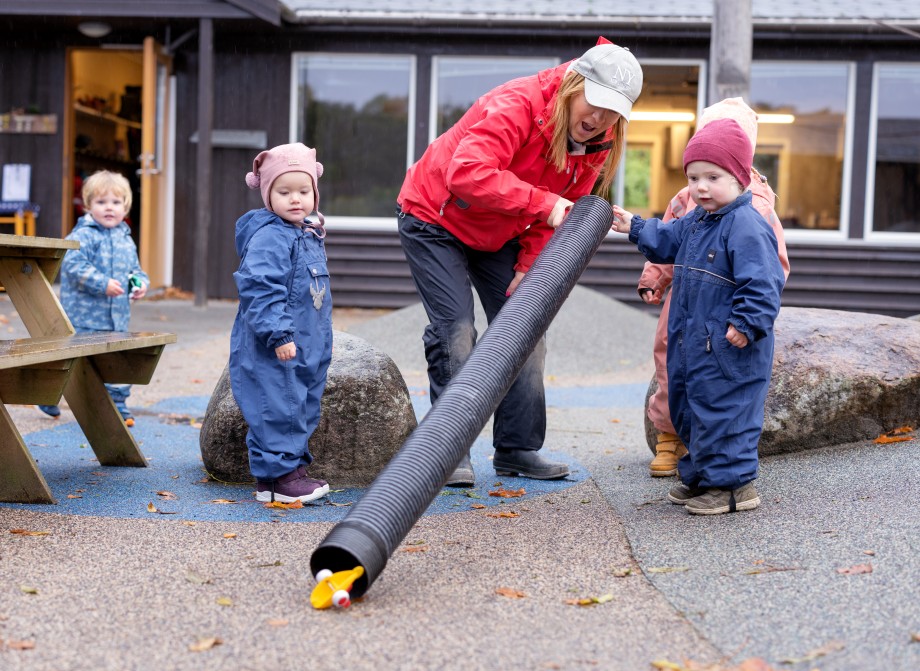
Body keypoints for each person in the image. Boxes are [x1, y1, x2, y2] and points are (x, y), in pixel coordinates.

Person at [397, 38, 643, 487]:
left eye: (613, 112)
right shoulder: (518, 104)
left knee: (527, 324)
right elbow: (467, 173)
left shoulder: (597, 145)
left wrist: (531, 263)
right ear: (574, 84)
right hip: (436, 215)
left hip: (499, 230)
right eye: (595, 104)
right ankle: (449, 450)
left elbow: (563, 211)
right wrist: (543, 203)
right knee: (456, 331)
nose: (599, 119)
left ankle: (516, 448)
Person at [611, 118, 785, 515]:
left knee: (726, 413)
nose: (701, 187)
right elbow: (669, 239)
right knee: (692, 407)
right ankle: (702, 478)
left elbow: (763, 282)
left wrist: (745, 324)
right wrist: (634, 227)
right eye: (693, 177)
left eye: (713, 176)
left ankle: (734, 488)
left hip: (728, 345)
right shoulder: (699, 219)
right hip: (695, 342)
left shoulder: (746, 225)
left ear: (740, 178)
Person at [230, 143, 333, 504]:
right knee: (277, 405)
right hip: (275, 342)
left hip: (305, 341)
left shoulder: (306, 232)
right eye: (283, 192)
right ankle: (276, 479)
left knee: (301, 404)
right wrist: (278, 332)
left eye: (304, 191)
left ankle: (291, 470)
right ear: (267, 193)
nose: (296, 200)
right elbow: (260, 287)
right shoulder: (271, 235)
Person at [37, 170, 149, 425]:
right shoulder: (83, 235)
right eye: (101, 202)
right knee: (73, 362)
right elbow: (73, 265)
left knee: (115, 361)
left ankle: (117, 404)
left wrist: (140, 283)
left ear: (126, 207)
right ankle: (47, 394)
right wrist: (102, 283)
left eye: (115, 202)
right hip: (84, 316)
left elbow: (134, 269)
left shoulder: (125, 239)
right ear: (88, 206)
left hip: (116, 317)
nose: (109, 208)